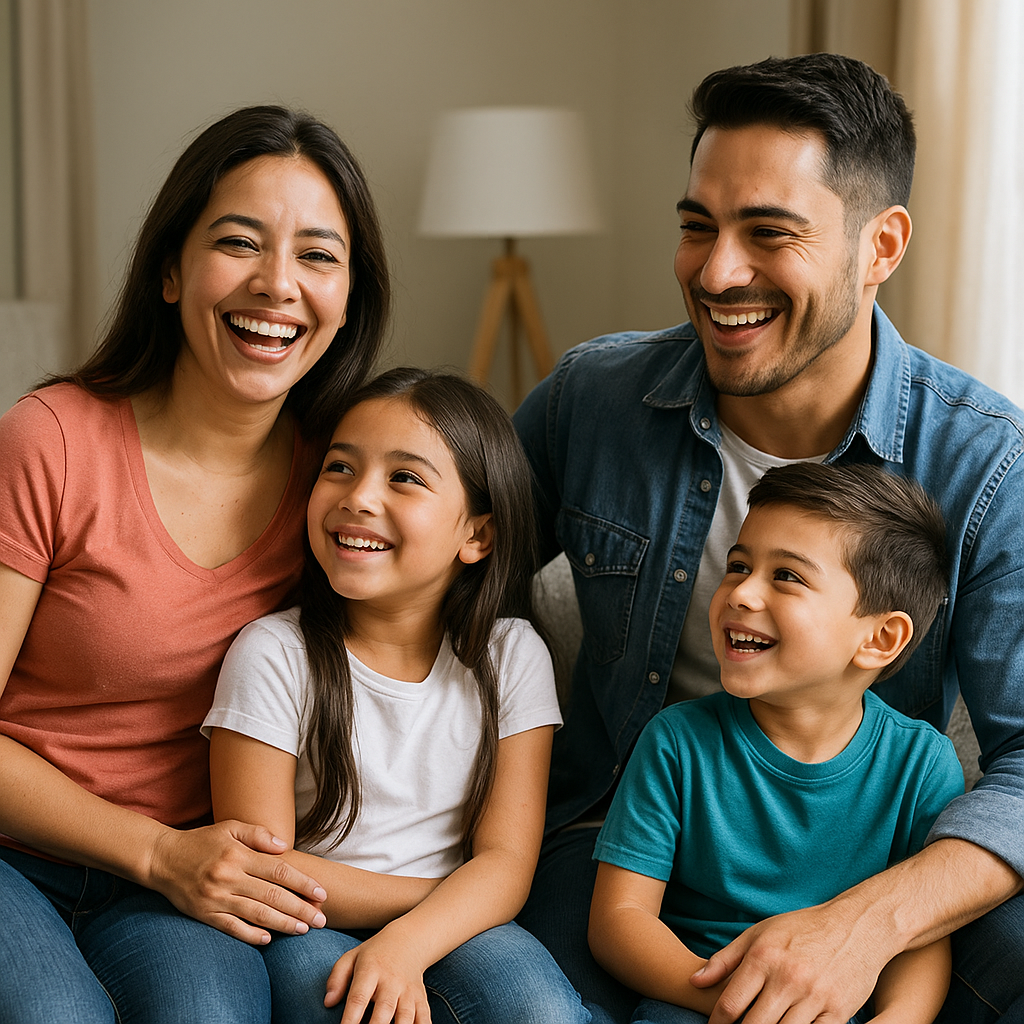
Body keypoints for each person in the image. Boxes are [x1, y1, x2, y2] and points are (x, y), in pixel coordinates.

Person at [513, 53, 1024, 1024]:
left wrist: (863, 924)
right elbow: (447, 571)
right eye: (696, 227)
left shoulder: (987, 462)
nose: (715, 273)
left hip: (859, 855)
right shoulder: (594, 399)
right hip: (621, 833)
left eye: (768, 234)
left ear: (881, 246)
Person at [0, 105, 390, 1023]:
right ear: (171, 270)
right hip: (21, 854)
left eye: (318, 256)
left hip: (186, 879)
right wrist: (157, 853)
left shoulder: (338, 486)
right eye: (240, 243)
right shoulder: (49, 440)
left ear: (349, 298)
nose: (277, 285)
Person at [203, 367, 590, 1024]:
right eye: (340, 468)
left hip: (456, 922)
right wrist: (431, 903)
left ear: (477, 536)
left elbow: (507, 861)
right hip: (312, 924)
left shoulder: (512, 654)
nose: (359, 498)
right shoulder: (271, 653)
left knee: (541, 1009)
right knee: (345, 1005)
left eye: (403, 478)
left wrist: (413, 940)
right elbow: (268, 876)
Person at [588, 463, 964, 1024]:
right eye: (739, 566)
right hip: (698, 1001)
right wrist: (735, 1007)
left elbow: (918, 934)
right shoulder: (675, 742)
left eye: (786, 576)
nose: (741, 592)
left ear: (880, 638)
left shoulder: (922, 764)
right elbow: (619, 919)